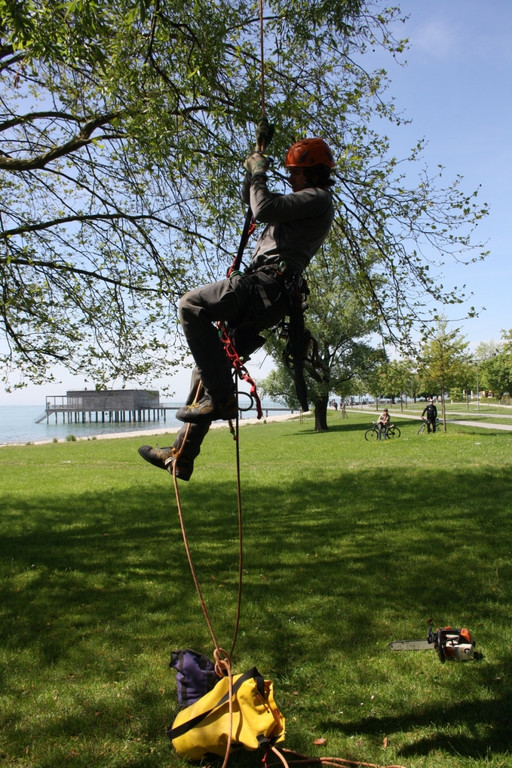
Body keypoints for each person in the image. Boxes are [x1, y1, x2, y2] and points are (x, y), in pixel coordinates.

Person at [138, 135, 336, 480]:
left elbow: (262, 209)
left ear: (312, 173)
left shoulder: (318, 198)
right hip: (267, 294)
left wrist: (259, 174)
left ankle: (223, 398)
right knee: (206, 370)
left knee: (191, 305)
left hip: (266, 286)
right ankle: (181, 456)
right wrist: (255, 161)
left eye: (295, 172)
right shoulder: (301, 203)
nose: (290, 178)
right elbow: (254, 202)